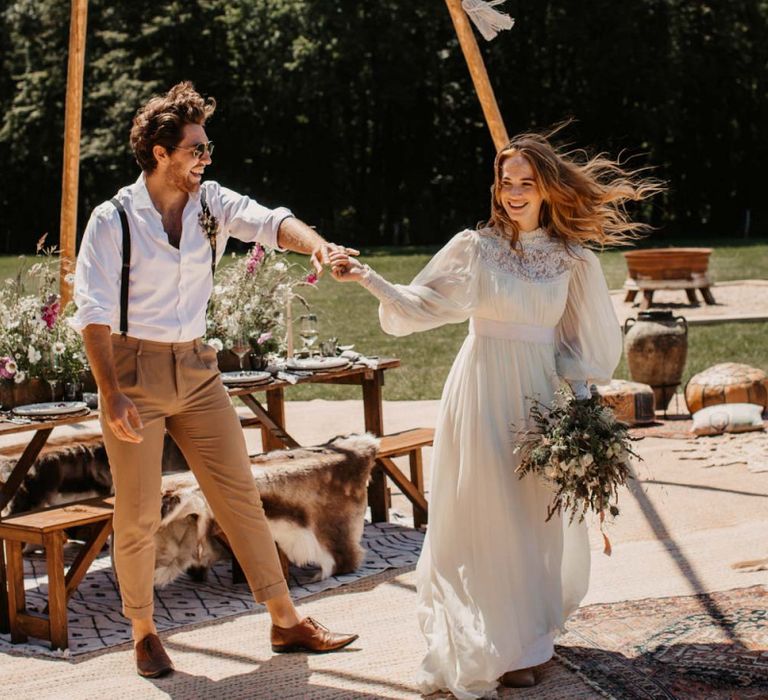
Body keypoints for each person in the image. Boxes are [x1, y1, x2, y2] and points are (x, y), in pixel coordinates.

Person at [330, 131, 661, 698]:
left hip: (538, 395)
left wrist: (582, 412)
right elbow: (421, 304)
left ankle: (527, 643)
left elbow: (584, 345)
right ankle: (488, 639)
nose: (512, 193)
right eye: (505, 182)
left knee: (532, 516)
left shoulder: (573, 258)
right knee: (483, 510)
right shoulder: (474, 247)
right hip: (481, 386)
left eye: (524, 183)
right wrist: (367, 278)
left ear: (547, 189)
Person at [72, 82, 358, 678]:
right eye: (197, 149)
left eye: (207, 149)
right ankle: (144, 630)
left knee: (239, 495)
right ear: (160, 153)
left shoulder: (210, 202)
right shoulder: (113, 219)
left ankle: (285, 620)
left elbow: (270, 221)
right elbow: (93, 314)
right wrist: (111, 392)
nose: (207, 158)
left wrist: (319, 246)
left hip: (198, 370)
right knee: (140, 510)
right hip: (132, 372)